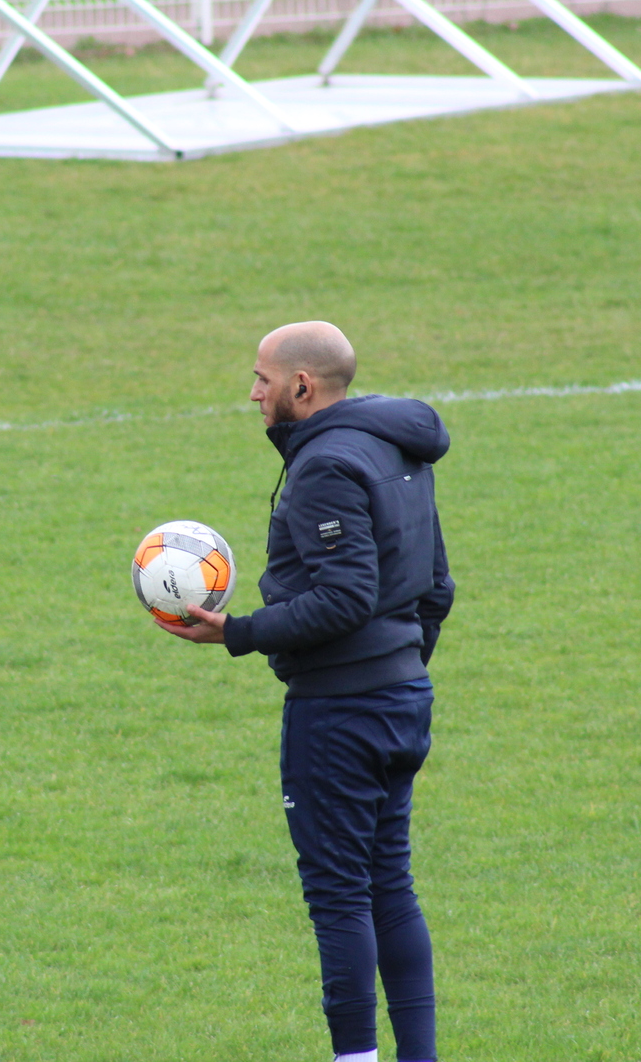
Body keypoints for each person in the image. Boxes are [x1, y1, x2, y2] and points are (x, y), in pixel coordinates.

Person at [161, 321, 454, 1062]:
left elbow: (345, 597)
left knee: (340, 896)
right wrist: (400, 667)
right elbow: (437, 585)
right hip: (403, 696)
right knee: (390, 884)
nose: (253, 393)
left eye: (263, 379)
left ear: (303, 384)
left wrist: (237, 632)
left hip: (341, 713)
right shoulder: (397, 446)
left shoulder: (326, 464)